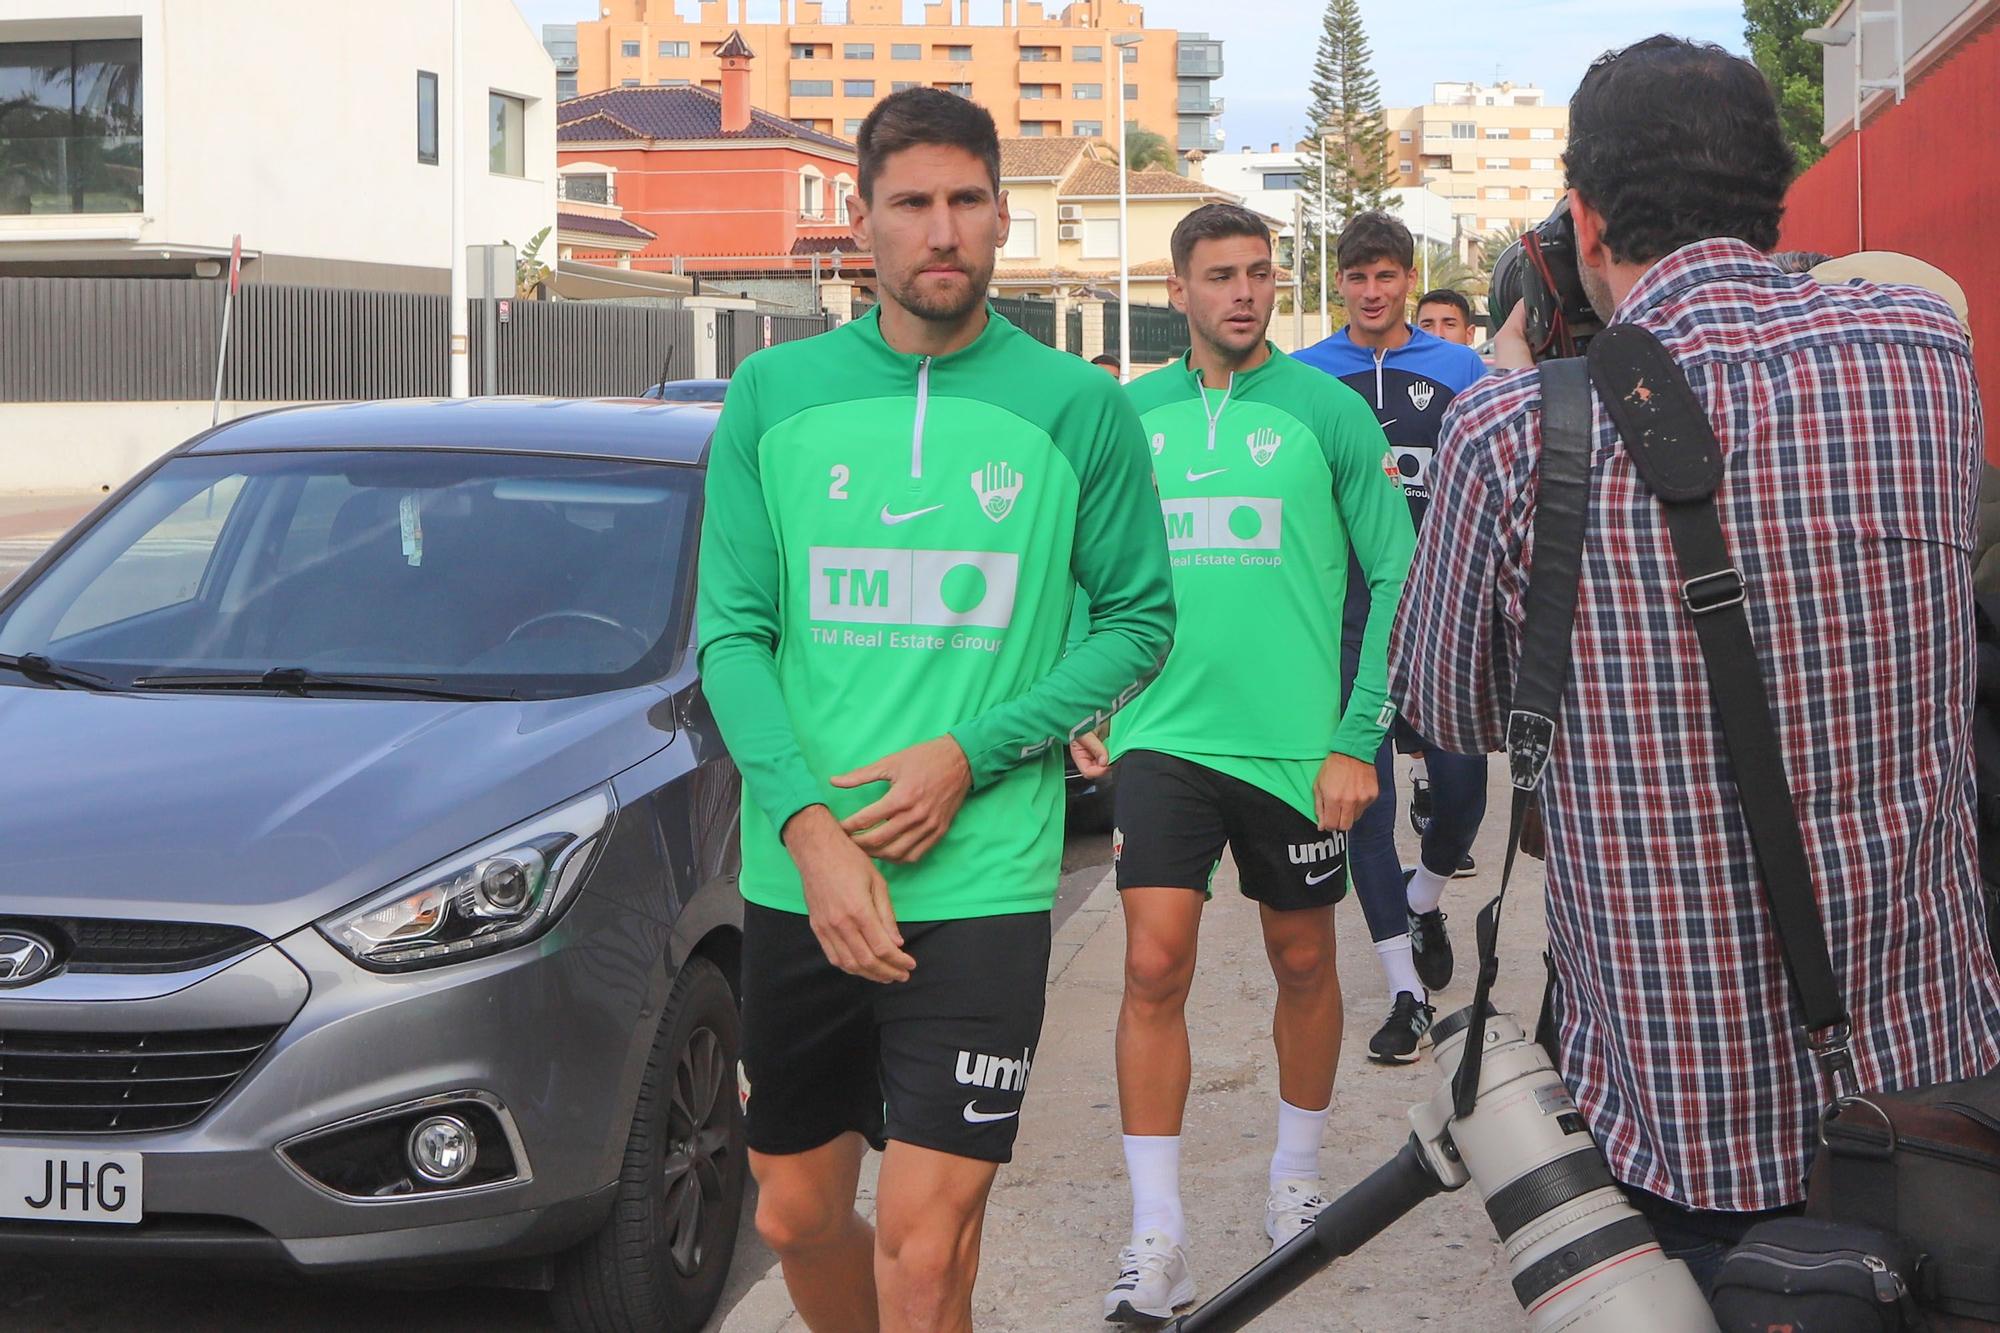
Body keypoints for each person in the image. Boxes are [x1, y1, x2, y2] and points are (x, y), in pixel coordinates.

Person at [1392, 35, 2000, 1291]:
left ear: (1581, 217)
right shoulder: (1925, 360)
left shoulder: (1511, 429)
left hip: (1678, 1084)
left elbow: (1445, 707)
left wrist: (1514, 385)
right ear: (1771, 198)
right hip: (1924, 1058)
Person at [697, 87, 1175, 1333]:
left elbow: (1139, 620)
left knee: (925, 1249)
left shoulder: (1080, 408)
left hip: (983, 883)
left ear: (1003, 220)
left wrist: (972, 752)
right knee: (795, 1217)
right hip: (802, 878)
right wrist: (807, 830)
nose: (941, 229)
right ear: (864, 225)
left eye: (966, 200)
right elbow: (731, 636)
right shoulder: (769, 395)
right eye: (911, 203)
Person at [1073, 202, 1414, 1321]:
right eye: (1218, 275)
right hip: (1164, 736)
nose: (1242, 292)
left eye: (1259, 273)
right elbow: (1081, 567)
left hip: (1291, 750)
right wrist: (1081, 697)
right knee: (1151, 963)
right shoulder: (1129, 417)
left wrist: (1353, 738)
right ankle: (1156, 1234)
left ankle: (1293, 1180)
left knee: (1304, 964)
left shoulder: (1326, 413)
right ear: (1176, 290)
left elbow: (1398, 579)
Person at [1293, 212, 1490, 1064]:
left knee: (1463, 788)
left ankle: (1426, 892)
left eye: (1387, 276)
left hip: (1438, 607)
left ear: (1409, 279)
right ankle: (1406, 996)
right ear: (1339, 283)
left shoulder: (1459, 368)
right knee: (1362, 803)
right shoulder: (1304, 374)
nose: (1372, 292)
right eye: (1357, 276)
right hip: (1344, 620)